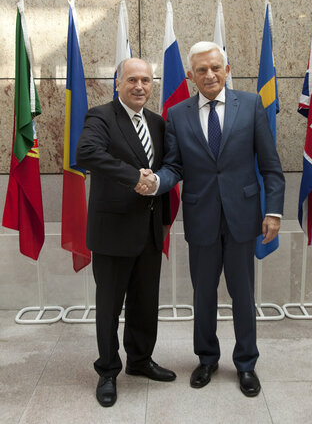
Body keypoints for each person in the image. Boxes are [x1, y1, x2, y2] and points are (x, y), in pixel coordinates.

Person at [136, 42, 285, 397]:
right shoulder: (178, 114)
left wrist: (274, 211)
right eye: (201, 70)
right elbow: (174, 166)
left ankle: (246, 363)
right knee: (203, 295)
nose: (210, 75)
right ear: (190, 76)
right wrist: (157, 181)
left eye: (216, 68)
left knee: (243, 295)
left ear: (227, 69)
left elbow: (270, 165)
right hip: (201, 216)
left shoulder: (249, 105)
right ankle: (206, 359)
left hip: (242, 217)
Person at [76, 57, 176, 408]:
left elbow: (166, 167)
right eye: (132, 79)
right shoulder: (101, 116)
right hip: (112, 230)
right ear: (118, 82)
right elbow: (86, 152)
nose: (139, 87)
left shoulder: (157, 122)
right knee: (109, 306)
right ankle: (107, 370)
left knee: (145, 304)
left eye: (146, 81)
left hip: (149, 229)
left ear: (152, 85)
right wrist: (134, 176)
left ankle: (140, 360)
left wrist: (158, 182)